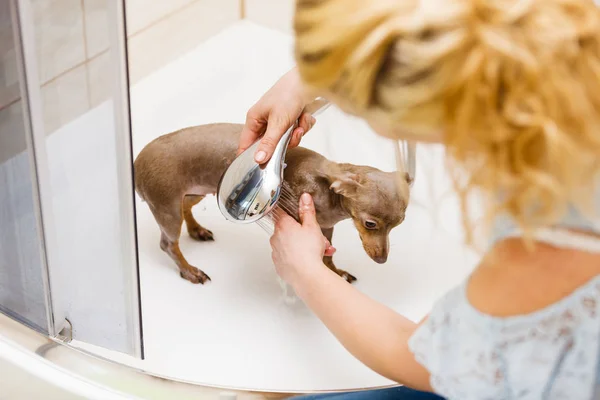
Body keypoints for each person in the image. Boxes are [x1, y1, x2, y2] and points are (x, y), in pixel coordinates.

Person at [238, 1, 600, 399]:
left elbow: (426, 360)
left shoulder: (551, 247)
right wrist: (310, 78)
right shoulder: (567, 41)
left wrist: (305, 271)